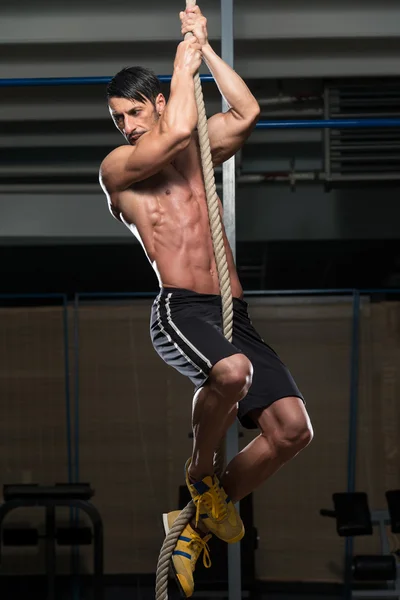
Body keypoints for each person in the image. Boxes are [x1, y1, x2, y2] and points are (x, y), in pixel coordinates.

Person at [100, 6, 313, 597]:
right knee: (232, 372)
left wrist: (205, 46)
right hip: (180, 310)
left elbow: (246, 112)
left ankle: (195, 525)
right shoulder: (120, 169)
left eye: (135, 112)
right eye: (118, 118)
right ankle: (199, 481)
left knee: (293, 430)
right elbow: (170, 135)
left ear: (160, 103)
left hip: (233, 314)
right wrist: (181, 59)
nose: (127, 127)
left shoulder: (198, 148)